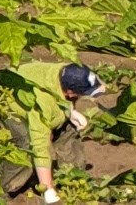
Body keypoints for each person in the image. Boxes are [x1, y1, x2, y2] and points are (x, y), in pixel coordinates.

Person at [19, 60, 104, 203]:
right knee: (25, 142)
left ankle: (70, 175)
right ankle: (12, 185)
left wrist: (71, 111)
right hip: (8, 109)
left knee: (68, 128)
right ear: (70, 92)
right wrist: (47, 189)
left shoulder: (65, 70)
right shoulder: (42, 103)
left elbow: (65, 95)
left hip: (42, 100)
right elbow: (39, 145)